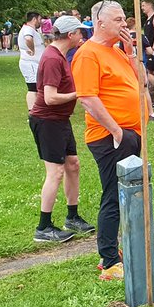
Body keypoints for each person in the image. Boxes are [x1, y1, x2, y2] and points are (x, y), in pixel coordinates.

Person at [72, 0, 145, 280]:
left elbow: (140, 85)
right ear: (99, 23)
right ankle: (109, 259)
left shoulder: (116, 51)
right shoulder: (88, 53)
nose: (124, 24)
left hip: (130, 133)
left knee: (130, 194)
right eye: (118, 20)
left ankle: (119, 248)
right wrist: (116, 131)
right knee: (114, 196)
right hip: (110, 137)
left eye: (125, 19)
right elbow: (88, 99)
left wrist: (130, 52)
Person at [29, 15, 96, 243]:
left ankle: (72, 216)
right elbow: (49, 97)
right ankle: (44, 227)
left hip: (60, 120)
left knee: (73, 165)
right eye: (80, 32)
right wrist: (78, 94)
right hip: (48, 121)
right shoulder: (52, 59)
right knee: (55, 172)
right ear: (70, 35)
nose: (82, 35)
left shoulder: (60, 55)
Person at [17, 11, 44, 112]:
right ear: (34, 19)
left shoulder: (30, 29)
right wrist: (32, 50)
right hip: (30, 63)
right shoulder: (28, 29)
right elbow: (28, 39)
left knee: (38, 87)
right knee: (33, 88)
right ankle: (32, 112)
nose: (40, 22)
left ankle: (38, 110)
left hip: (34, 63)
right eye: (39, 19)